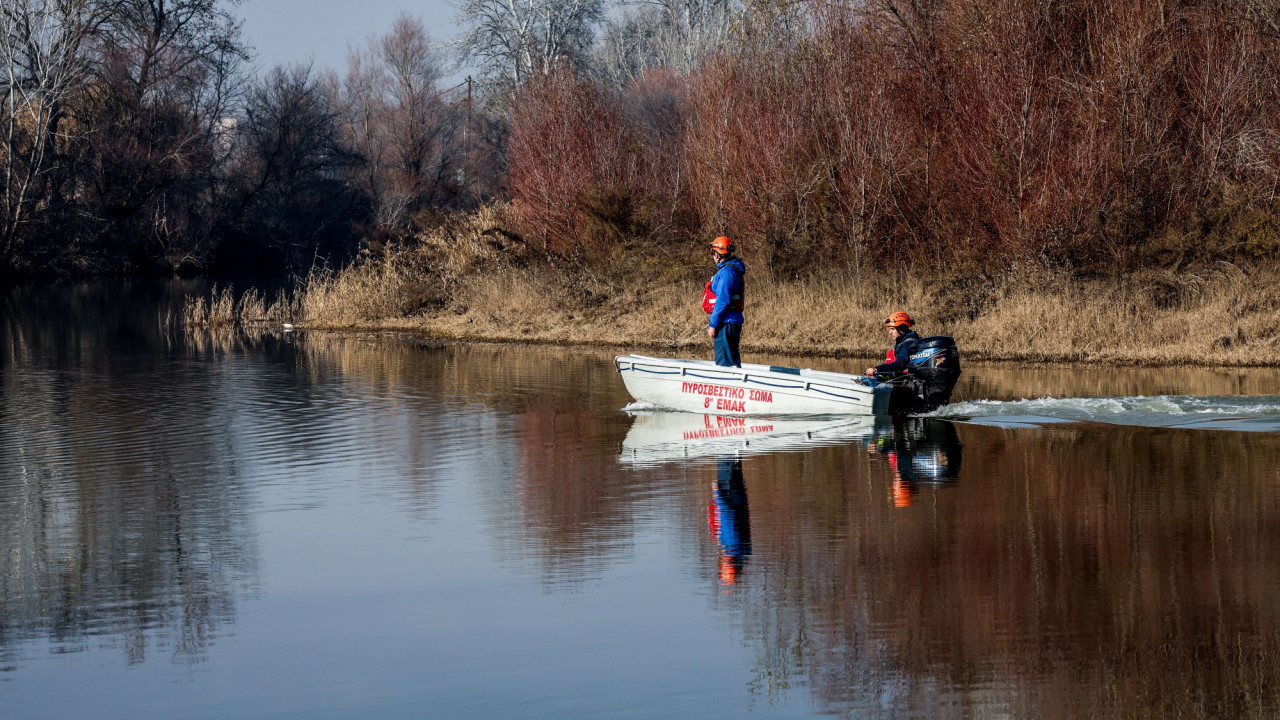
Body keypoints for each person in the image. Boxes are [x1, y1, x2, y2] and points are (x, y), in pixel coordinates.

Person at [703, 236, 745, 367]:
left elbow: (722, 300)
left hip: (725, 323)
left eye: (713, 253)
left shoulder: (727, 272)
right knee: (732, 363)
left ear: (718, 253)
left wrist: (713, 324)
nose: (712, 257)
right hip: (731, 322)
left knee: (724, 365)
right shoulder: (730, 270)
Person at [864, 311, 921, 379]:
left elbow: (900, 364)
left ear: (901, 329)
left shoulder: (907, 344)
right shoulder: (910, 341)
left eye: (892, 329)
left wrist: (877, 369)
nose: (890, 332)